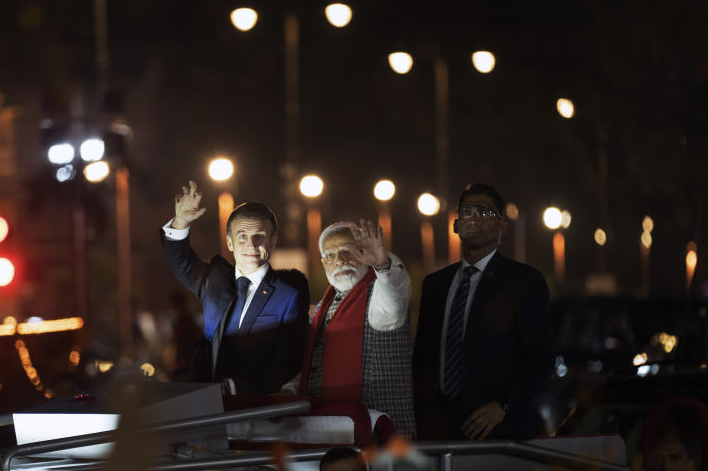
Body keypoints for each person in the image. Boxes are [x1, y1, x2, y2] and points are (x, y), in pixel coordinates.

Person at [412, 183, 553, 441]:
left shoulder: (524, 281)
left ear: (502, 226)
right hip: (439, 429)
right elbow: (422, 358)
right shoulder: (435, 285)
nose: (474, 219)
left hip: (499, 429)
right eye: (467, 212)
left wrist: (504, 405)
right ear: (456, 225)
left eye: (485, 213)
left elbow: (541, 359)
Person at [160, 181, 309, 394]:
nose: (251, 244)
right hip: (203, 404)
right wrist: (181, 221)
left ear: (273, 241)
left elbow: (289, 359)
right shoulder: (215, 280)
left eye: (260, 236)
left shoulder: (289, 292)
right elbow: (181, 261)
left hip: (255, 409)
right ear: (229, 243)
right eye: (242, 237)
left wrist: (235, 388)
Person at [298, 219, 416, 438]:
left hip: (379, 435)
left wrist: (382, 265)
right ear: (323, 263)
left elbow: (394, 293)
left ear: (366, 252)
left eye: (348, 251)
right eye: (330, 255)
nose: (340, 260)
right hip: (329, 431)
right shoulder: (325, 303)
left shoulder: (380, 291)